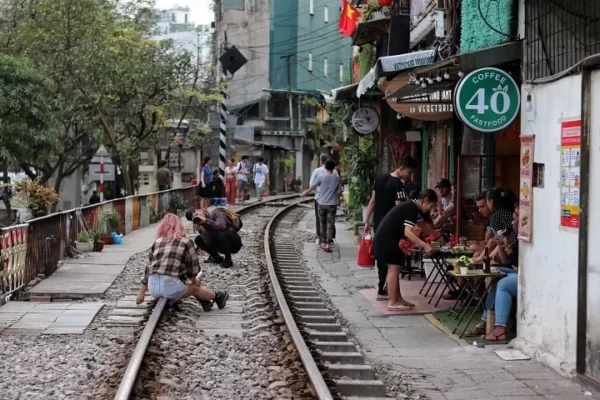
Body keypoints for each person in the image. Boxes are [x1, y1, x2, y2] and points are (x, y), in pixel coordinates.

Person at [135, 213, 229, 311]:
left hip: (153, 288)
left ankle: (205, 302)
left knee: (184, 280)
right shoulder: (185, 242)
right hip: (170, 287)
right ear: (180, 226)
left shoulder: (157, 242)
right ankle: (217, 296)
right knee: (194, 288)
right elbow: (193, 270)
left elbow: (148, 268)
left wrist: (141, 293)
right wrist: (194, 282)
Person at [363, 156, 419, 301]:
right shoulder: (398, 185)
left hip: (378, 223)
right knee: (392, 260)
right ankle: (387, 292)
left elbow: (372, 201)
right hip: (391, 228)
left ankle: (382, 289)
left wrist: (367, 221)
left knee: (381, 256)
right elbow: (399, 208)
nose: (409, 176)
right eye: (409, 172)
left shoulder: (379, 179)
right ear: (401, 169)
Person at [374, 189, 438, 311]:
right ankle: (392, 302)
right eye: (431, 206)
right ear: (425, 200)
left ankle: (398, 299)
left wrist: (437, 235)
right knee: (394, 268)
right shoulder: (411, 208)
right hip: (387, 239)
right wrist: (424, 245)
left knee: (396, 268)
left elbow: (423, 226)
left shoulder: (414, 207)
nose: (431, 209)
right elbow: (408, 232)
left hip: (389, 238)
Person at [470, 208, 520, 341]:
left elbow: (518, 264)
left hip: (525, 275)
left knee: (503, 284)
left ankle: (500, 328)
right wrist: (502, 247)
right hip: (515, 271)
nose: (512, 222)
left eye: (515, 219)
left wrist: (507, 248)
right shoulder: (516, 235)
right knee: (496, 275)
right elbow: (506, 262)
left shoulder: (523, 237)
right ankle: (485, 320)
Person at [302, 158, 340, 252]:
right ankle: (328, 243)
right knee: (330, 224)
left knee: (322, 224)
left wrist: (305, 193)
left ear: (325, 166)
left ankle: (322, 242)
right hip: (332, 205)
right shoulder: (336, 177)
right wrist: (337, 199)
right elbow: (338, 190)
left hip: (321, 203)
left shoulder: (321, 176)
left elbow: (313, 186)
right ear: (334, 167)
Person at [309, 154, 339, 242]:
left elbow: (312, 185)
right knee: (330, 221)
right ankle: (330, 238)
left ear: (321, 161)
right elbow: (337, 189)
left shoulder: (317, 171)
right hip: (332, 202)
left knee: (321, 221)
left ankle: (322, 239)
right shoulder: (336, 173)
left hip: (320, 199)